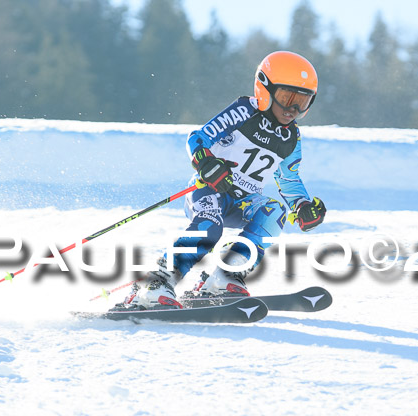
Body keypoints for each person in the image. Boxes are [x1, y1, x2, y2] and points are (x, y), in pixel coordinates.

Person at [122, 51, 327, 309]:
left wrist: (302, 206)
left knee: (275, 211)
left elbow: (288, 179)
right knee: (210, 227)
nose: (293, 110)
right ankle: (157, 281)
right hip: (210, 190)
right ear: (266, 88)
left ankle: (227, 274)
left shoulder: (291, 138)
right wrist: (206, 162)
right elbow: (197, 138)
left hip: (244, 201)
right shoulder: (245, 112)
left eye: (302, 102)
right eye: (287, 98)